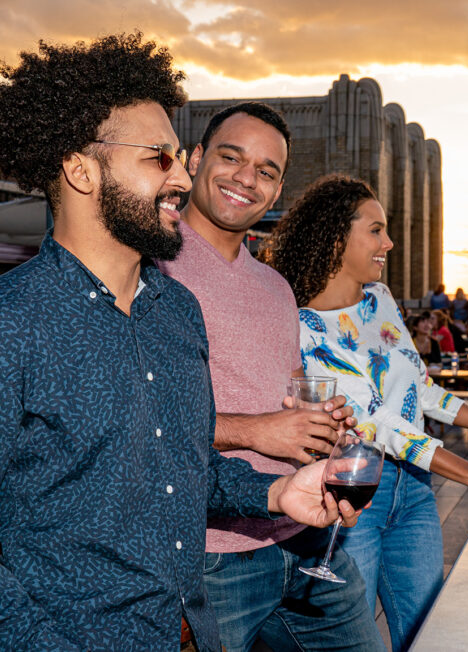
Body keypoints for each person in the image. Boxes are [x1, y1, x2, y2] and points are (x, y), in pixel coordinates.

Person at [0, 33, 360, 652]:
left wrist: (273, 492)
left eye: (180, 158)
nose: (184, 177)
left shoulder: (176, 311)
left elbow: (182, 469)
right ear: (81, 170)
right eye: (160, 158)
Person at [265, 175, 468, 652]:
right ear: (337, 237)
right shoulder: (300, 325)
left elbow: (421, 392)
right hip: (355, 501)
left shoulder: (380, 300)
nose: (389, 242)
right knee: (356, 642)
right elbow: (377, 428)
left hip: (416, 494)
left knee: (427, 631)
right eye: (377, 229)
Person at [157, 101, 384, 651]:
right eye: (231, 157)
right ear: (193, 159)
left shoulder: (275, 286)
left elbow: (286, 397)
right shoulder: (149, 268)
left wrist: (323, 423)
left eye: (266, 171)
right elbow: (138, 417)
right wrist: (256, 431)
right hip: (210, 556)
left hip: (304, 537)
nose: (246, 178)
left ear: (279, 190)